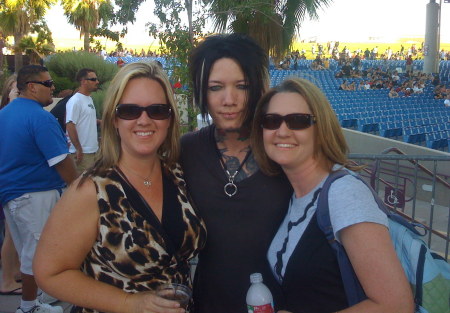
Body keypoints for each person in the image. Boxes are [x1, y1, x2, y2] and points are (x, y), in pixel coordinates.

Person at [34, 62, 206, 313]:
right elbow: (50, 273)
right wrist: (130, 303)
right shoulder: (91, 191)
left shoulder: (178, 174)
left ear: (169, 118)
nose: (144, 120)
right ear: (114, 119)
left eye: (157, 110)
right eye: (129, 111)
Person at [251, 77, 414, 313]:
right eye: (271, 120)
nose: (282, 131)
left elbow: (396, 305)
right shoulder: (295, 193)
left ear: (321, 128)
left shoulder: (345, 194)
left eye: (298, 121)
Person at [181, 34, 292, 313]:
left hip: (284, 303)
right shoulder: (184, 151)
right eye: (215, 87)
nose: (229, 100)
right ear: (201, 93)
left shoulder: (284, 149)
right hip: (208, 303)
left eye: (241, 86)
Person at [0, 65, 78, 313]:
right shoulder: (40, 117)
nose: (52, 88)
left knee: (28, 253)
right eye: (48, 83)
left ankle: (33, 303)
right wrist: (80, 190)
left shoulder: (5, 114)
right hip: (36, 194)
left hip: (12, 195)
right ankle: (29, 306)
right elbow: (62, 162)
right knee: (36, 255)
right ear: (31, 87)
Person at [0, 74, 21, 296]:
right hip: (9, 182)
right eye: (16, 90)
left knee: (13, 233)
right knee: (10, 233)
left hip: (11, 181)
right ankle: (6, 279)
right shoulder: (5, 117)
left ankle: (14, 271)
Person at [65, 68, 100, 174]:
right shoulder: (75, 101)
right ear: (83, 81)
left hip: (92, 151)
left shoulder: (89, 99)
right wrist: (78, 149)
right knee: (82, 186)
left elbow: (85, 120)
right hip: (82, 153)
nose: (97, 82)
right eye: (93, 79)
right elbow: (70, 125)